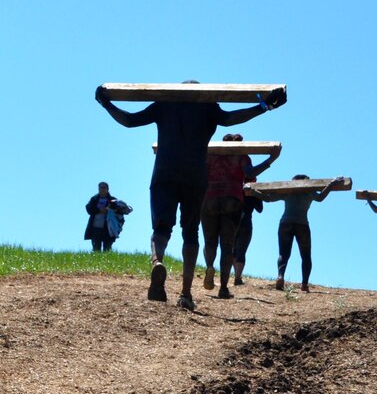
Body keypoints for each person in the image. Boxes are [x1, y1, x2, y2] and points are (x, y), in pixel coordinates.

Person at [95, 84, 285, 310]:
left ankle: (157, 261)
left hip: (164, 173)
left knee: (161, 229)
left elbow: (129, 120)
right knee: (191, 232)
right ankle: (185, 293)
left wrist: (105, 103)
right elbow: (233, 118)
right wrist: (265, 106)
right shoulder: (208, 107)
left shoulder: (166, 103)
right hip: (195, 176)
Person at [200, 134, 280, 299]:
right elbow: (251, 174)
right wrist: (271, 159)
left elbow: (199, 171)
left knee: (210, 241)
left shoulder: (211, 155)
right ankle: (223, 288)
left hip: (209, 198)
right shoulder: (243, 157)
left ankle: (209, 265)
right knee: (227, 245)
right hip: (233, 199)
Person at [247, 174, 346, 293]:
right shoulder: (309, 192)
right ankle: (304, 284)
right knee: (306, 256)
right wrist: (332, 184)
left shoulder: (289, 191)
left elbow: (268, 198)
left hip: (285, 223)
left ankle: (280, 276)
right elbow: (320, 198)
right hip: (302, 224)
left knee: (283, 254)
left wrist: (252, 191)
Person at [233, 176, 264, 285]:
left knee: (232, 250)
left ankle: (233, 275)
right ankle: (237, 277)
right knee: (241, 250)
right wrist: (256, 194)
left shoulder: (236, 188)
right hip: (246, 221)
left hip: (233, 220)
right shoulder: (254, 192)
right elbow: (260, 209)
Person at [84, 182, 132, 252]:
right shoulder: (94, 199)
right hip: (95, 228)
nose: (102, 189)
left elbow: (120, 212)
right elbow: (88, 208)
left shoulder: (113, 200)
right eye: (100, 187)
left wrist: (111, 211)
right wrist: (99, 210)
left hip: (108, 228)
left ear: (108, 189)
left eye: (104, 187)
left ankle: (107, 262)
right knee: (96, 249)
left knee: (107, 248)